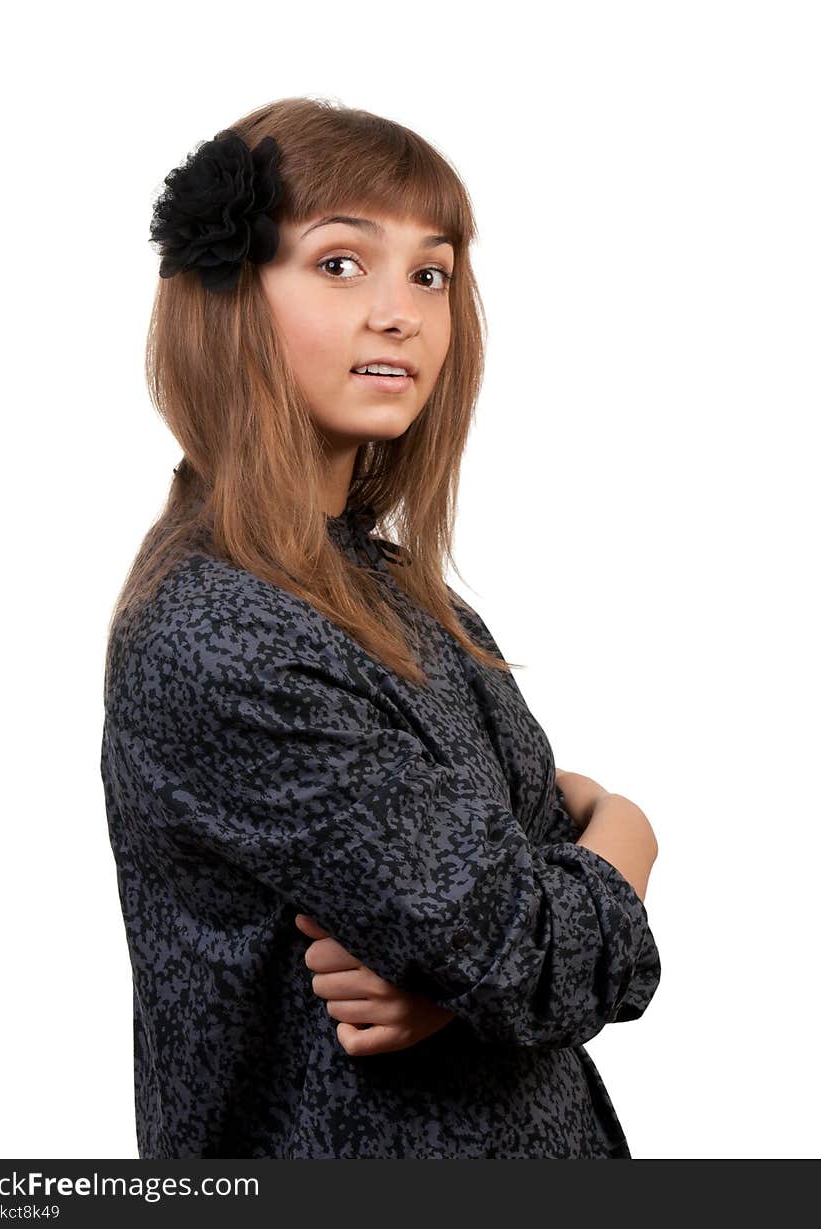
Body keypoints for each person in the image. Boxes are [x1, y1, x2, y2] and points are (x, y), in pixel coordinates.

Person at [100, 96, 661, 1160]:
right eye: (341, 263)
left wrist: (462, 975)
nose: (399, 311)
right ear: (227, 296)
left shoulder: (391, 582)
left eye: (430, 272)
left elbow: (511, 912)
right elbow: (529, 945)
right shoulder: (226, 634)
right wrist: (631, 829)